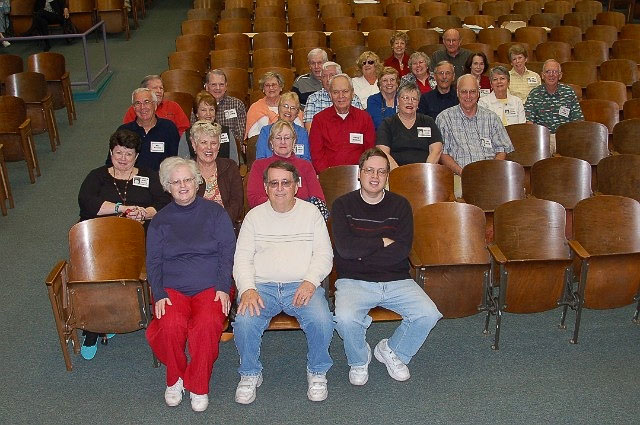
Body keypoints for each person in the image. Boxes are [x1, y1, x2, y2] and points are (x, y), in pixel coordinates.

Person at [332, 148, 442, 386]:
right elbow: (344, 250)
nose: (375, 176)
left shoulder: (401, 205)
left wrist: (362, 255)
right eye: (369, 170)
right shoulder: (342, 205)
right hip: (354, 280)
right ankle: (359, 360)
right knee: (345, 318)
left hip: (396, 278)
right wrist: (381, 242)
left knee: (429, 314)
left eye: (381, 171)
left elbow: (401, 251)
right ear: (359, 174)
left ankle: (392, 351)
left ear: (387, 176)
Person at [232, 160, 334, 404]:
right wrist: (247, 289)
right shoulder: (253, 217)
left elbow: (324, 255)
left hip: (301, 286)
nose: (279, 188)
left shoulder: (311, 214)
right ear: (266, 187)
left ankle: (317, 370)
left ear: (297, 186)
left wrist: (310, 282)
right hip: (261, 288)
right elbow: (242, 259)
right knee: (245, 321)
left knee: (322, 319)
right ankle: (249, 373)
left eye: (285, 183)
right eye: (273, 183)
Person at [146, 157, 236, 412]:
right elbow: (152, 262)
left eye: (187, 179)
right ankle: (175, 377)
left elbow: (227, 253)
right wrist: (159, 292)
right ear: (167, 186)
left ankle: (198, 384)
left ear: (197, 182)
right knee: (170, 324)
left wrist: (222, 286)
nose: (183, 185)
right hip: (172, 287)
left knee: (207, 325)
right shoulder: (160, 221)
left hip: (211, 285)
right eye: (176, 182)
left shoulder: (216, 213)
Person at [77, 129, 170, 360]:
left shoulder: (149, 175)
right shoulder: (97, 176)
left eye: (128, 154)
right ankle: (93, 327)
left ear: (136, 156)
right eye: (118, 153)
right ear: (111, 152)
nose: (123, 158)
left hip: (141, 239)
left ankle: (119, 316)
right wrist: (122, 209)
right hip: (104, 240)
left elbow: (163, 203)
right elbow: (88, 203)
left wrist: (144, 213)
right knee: (101, 270)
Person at [436, 74, 514, 197]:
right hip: (459, 175)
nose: (468, 96)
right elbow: (443, 154)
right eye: (464, 92)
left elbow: (502, 150)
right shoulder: (444, 118)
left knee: (509, 193)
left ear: (478, 93)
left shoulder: (491, 118)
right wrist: (463, 173)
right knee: (462, 193)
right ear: (457, 93)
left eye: (472, 92)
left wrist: (490, 171)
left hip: (491, 174)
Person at [248, 120, 325, 210]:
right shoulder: (259, 166)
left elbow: (318, 199)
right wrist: (281, 205)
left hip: (301, 216)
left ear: (294, 141)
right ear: (271, 142)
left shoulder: (306, 166)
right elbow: (253, 199)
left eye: (287, 138)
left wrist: (294, 208)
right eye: (278, 138)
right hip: (269, 215)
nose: (283, 142)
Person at [309, 73, 376, 173]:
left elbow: (369, 152)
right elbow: (316, 154)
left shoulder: (365, 118)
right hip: (329, 177)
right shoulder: (319, 120)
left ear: (352, 93)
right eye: (336, 92)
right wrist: (328, 175)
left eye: (345, 91)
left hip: (359, 177)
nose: (341, 96)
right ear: (330, 95)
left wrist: (361, 174)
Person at [376, 83, 443, 169]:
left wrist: (425, 171)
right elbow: (383, 152)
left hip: (425, 173)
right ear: (398, 101)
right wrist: (400, 173)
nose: (410, 102)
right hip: (396, 173)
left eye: (414, 99)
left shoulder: (428, 122)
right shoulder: (387, 124)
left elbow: (436, 149)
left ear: (418, 103)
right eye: (405, 98)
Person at [190, 121, 243, 227]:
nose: (209, 148)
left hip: (224, 226)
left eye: (213, 143)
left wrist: (219, 223)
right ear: (194, 145)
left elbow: (237, 203)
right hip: (193, 227)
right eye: (203, 142)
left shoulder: (230, 167)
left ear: (218, 146)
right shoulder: (185, 170)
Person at [524, 59, 584, 153]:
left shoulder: (568, 92)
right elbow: (529, 122)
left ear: (560, 75)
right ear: (542, 75)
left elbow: (578, 120)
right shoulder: (534, 94)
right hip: (543, 138)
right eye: (548, 72)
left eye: (555, 72)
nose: (551, 75)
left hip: (565, 136)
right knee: (542, 152)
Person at [114, 88, 180, 171]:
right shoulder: (124, 130)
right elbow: (112, 162)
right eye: (138, 103)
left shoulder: (168, 128)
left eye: (147, 102)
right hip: (131, 180)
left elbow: (176, 160)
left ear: (155, 105)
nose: (142, 107)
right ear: (134, 107)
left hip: (161, 180)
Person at [177, 90, 238, 164]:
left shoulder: (226, 132)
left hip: (224, 173)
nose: (208, 114)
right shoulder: (187, 135)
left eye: (211, 109)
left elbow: (234, 162)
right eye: (203, 110)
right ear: (196, 113)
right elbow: (183, 164)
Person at [303, 61, 363, 132]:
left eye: (332, 75)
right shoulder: (313, 99)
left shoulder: (353, 98)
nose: (328, 79)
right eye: (324, 76)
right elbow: (311, 131)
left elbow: (360, 125)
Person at [122, 75, 190, 136]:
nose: (159, 91)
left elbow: (185, 130)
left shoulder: (173, 106)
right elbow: (126, 133)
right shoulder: (135, 109)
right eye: (155, 88)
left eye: (161, 88)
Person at [256, 92, 311, 161]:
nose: (288, 111)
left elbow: (306, 160)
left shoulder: (302, 133)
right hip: (270, 169)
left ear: (297, 113)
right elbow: (260, 159)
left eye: (293, 108)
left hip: (295, 170)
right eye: (285, 106)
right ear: (279, 108)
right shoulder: (266, 131)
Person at [246, 71, 302, 138]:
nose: (271, 88)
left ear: (281, 87)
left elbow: (299, 129)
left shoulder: (291, 104)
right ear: (263, 89)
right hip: (264, 145)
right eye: (267, 85)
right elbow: (252, 135)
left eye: (274, 85)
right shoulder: (255, 108)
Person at [205, 69, 247, 147]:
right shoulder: (200, 106)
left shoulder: (237, 105)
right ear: (207, 87)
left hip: (231, 149)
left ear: (226, 86)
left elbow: (239, 136)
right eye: (214, 84)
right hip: (205, 149)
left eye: (221, 84)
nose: (218, 88)